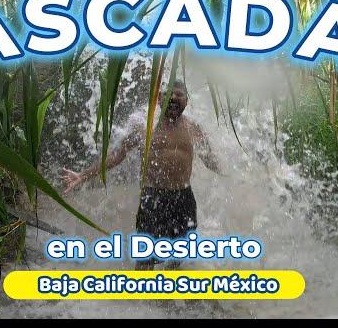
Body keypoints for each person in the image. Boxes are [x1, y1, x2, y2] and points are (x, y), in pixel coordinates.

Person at [60, 79, 222, 270]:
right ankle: (142, 296)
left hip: (184, 197)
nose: (174, 98)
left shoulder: (193, 128)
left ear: (186, 101)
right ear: (159, 98)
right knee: (146, 255)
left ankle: (166, 291)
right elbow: (117, 155)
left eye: (179, 95)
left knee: (183, 251)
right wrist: (83, 175)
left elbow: (210, 160)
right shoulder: (145, 126)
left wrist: (231, 174)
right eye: (169, 93)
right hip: (153, 196)